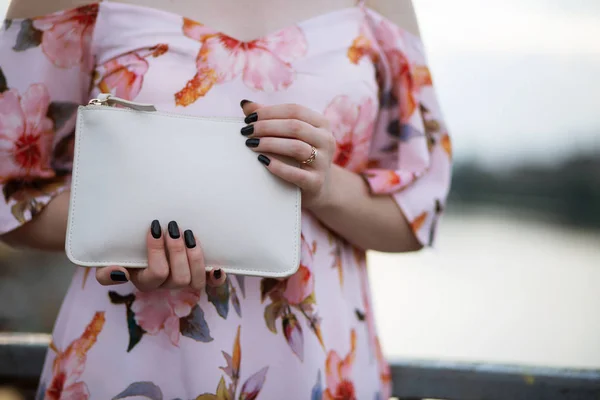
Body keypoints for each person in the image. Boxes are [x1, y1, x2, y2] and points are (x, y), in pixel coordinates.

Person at [0, 0, 452, 398]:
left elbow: (417, 213)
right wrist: (128, 233)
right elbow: (8, 193)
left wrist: (325, 186)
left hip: (314, 364)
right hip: (129, 359)